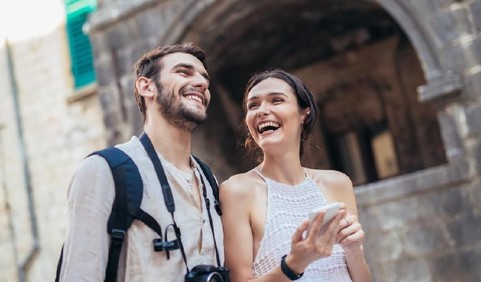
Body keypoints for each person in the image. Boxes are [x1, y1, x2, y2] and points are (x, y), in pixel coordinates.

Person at [58, 43, 225, 281]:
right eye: (184, 72)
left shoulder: (209, 180)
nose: (202, 83)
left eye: (203, 77)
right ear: (146, 87)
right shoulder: (104, 171)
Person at [220, 69, 371, 281]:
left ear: (304, 112)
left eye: (276, 100)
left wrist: (354, 251)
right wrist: (295, 263)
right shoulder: (237, 190)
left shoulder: (338, 183)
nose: (262, 110)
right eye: (253, 105)